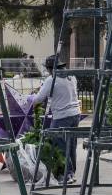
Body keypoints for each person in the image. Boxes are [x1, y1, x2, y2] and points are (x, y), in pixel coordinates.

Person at [30, 55, 81, 183]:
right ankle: (72, 173)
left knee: (59, 145)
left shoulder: (51, 79)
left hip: (62, 116)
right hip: (75, 114)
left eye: (47, 69)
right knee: (71, 144)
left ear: (51, 69)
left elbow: (38, 99)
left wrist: (29, 98)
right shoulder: (72, 76)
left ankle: (66, 175)